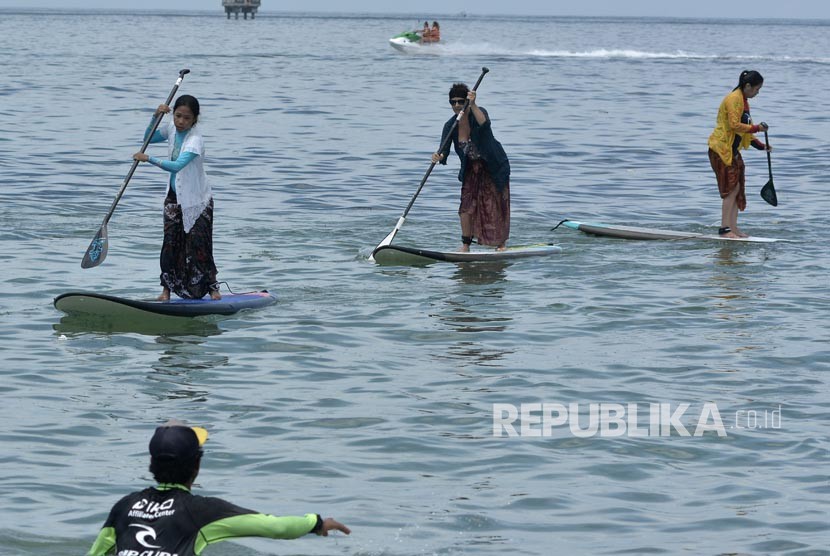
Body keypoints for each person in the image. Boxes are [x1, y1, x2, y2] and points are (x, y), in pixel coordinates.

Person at [87, 420, 350, 556]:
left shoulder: (124, 507)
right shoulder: (202, 511)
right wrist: (316, 523)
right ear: (197, 466)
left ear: (151, 463)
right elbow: (276, 527)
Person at [133, 95, 221, 301]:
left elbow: (177, 166)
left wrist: (149, 159)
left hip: (198, 201)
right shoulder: (172, 130)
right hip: (173, 197)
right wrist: (155, 116)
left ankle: (212, 288)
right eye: (178, 116)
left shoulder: (195, 140)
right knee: (170, 244)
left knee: (199, 245)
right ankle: (166, 291)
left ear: (194, 120)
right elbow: (148, 138)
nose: (181, 122)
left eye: (186, 118)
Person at [431, 83, 511, 251]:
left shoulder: (478, 112)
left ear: (466, 100)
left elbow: (485, 124)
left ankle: (500, 244)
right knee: (465, 207)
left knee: (492, 204)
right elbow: (443, 150)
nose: (457, 105)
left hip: (493, 166)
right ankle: (465, 244)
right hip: (470, 169)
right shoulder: (450, 125)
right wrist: (438, 156)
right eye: (453, 102)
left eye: (461, 101)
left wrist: (473, 104)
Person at [707, 70, 771, 239]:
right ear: (747, 86)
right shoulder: (734, 99)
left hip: (731, 151)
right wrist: (757, 128)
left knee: (737, 189)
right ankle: (724, 229)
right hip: (720, 150)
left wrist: (761, 146)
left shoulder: (744, 101)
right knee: (730, 189)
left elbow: (746, 132)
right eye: (757, 89)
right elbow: (735, 125)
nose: (758, 93)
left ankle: (733, 228)